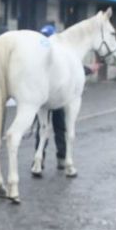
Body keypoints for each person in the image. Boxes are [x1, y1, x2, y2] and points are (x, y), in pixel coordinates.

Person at [34, 23, 68, 168]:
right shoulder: (54, 53)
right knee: (54, 128)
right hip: (52, 96)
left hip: (50, 96)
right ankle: (51, 159)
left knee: (47, 128)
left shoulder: (47, 53)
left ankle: (45, 159)